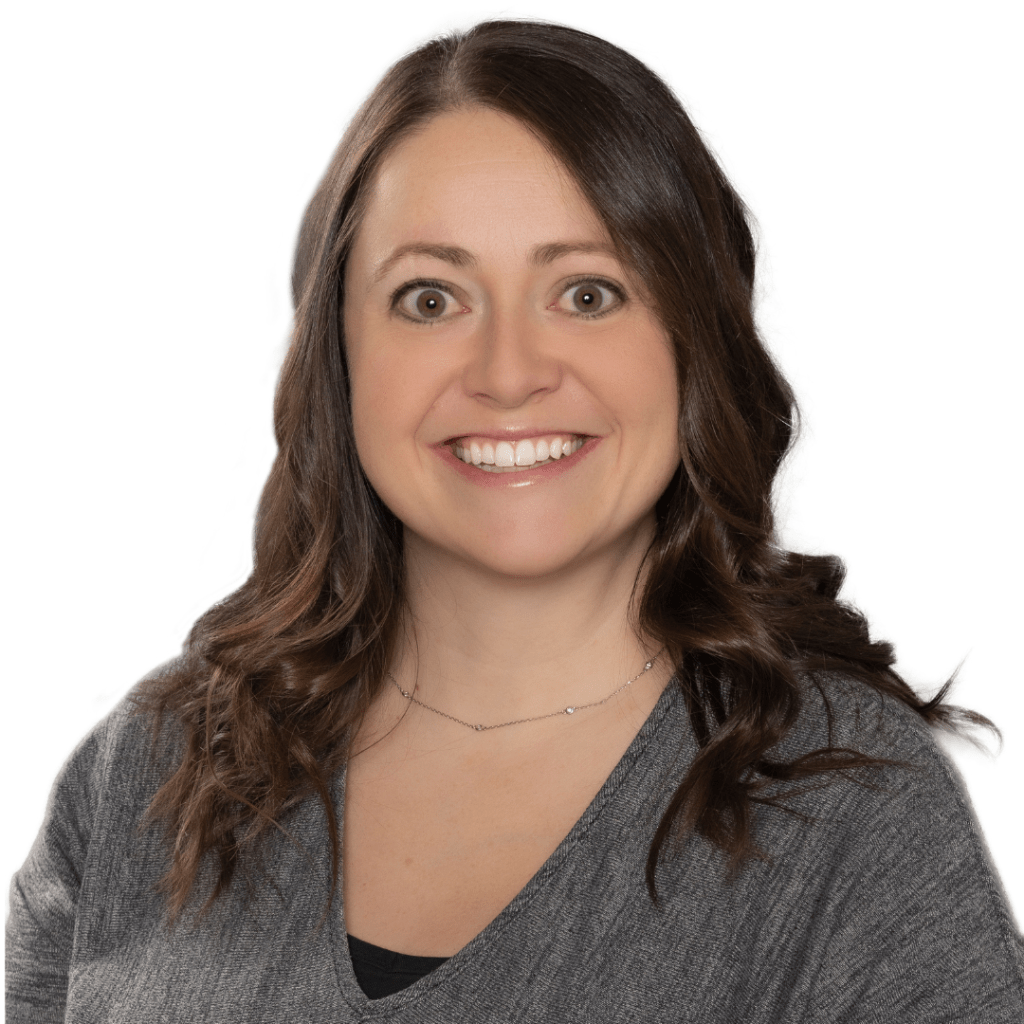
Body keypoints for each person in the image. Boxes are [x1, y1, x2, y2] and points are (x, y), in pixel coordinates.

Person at [6, 18, 1023, 1022]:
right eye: (430, 300)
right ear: (337, 355)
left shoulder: (851, 821)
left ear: (694, 341)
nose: (507, 374)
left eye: (586, 294)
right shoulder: (156, 768)